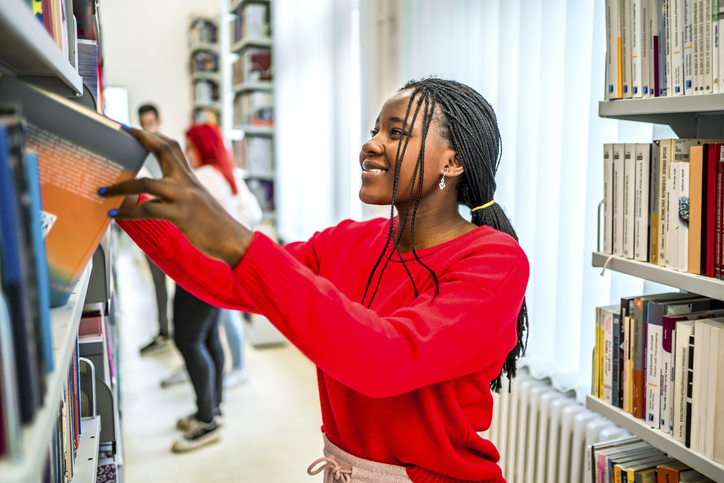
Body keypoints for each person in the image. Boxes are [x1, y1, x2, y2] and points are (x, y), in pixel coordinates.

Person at [101, 78, 529, 481]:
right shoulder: (347, 242)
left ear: (452, 161)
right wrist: (120, 194)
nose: (370, 143)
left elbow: (387, 359)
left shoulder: (493, 260)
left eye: (396, 133)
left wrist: (236, 239)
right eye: (374, 129)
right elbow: (226, 280)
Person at [136, 103, 171, 356]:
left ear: (159, 122)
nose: (148, 128)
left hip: (176, 227)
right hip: (153, 225)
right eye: (143, 123)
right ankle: (164, 332)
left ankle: (182, 336)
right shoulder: (139, 153)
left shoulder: (171, 152)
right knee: (158, 283)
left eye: (151, 123)